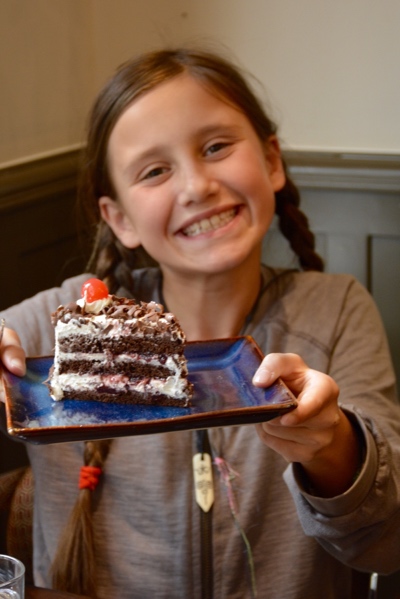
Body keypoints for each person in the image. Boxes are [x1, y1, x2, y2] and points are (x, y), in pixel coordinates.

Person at [0, 47, 399, 599]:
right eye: (155, 171)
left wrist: (331, 447)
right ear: (119, 218)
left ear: (272, 161)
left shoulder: (336, 312)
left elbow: (386, 543)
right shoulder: (48, 328)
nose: (196, 186)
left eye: (216, 147)